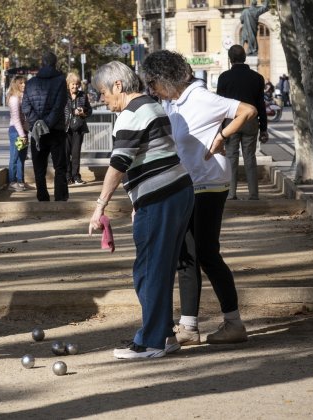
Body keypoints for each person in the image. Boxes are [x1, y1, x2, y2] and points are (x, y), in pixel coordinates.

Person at [142, 50, 257, 345]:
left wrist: (222, 137)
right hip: (186, 184)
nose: (151, 90)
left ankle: (233, 323)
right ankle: (189, 326)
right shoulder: (171, 102)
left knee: (206, 253)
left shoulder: (202, 97)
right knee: (187, 256)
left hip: (208, 184)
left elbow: (247, 110)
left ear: (166, 79)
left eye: (153, 83)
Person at [88, 61, 194, 359]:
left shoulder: (130, 115)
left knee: (148, 271)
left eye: (103, 93)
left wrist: (100, 206)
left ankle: (150, 342)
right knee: (160, 268)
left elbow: (118, 164)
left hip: (161, 198)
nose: (102, 100)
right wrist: (137, 201)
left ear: (118, 86)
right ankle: (165, 335)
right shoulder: (153, 105)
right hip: (178, 192)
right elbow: (152, 154)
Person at [217, 44, 268, 201]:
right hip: (251, 122)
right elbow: (261, 105)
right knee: (250, 157)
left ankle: (232, 194)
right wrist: (264, 128)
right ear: (245, 58)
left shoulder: (224, 77)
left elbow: (219, 105)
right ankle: (253, 194)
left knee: (231, 157)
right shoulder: (257, 78)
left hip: (231, 122)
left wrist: (219, 128)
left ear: (230, 59)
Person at [22, 51, 68, 201]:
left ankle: (42, 196)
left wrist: (38, 123)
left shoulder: (30, 83)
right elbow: (59, 106)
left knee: (39, 167)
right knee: (60, 166)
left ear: (42, 63)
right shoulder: (61, 80)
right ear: (55, 64)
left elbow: (26, 106)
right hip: (56, 129)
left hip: (37, 131)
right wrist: (47, 123)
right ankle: (60, 197)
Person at [64, 72, 92, 185]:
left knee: (76, 154)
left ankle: (76, 176)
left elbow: (89, 110)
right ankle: (67, 176)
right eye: (73, 84)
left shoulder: (82, 95)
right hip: (65, 128)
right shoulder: (63, 95)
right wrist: (72, 111)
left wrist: (83, 112)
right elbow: (60, 110)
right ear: (68, 84)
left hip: (78, 128)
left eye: (77, 84)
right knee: (65, 154)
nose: (75, 86)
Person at [6, 75, 30, 192]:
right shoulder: (14, 99)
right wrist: (22, 135)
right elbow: (16, 119)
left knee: (22, 157)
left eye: (25, 83)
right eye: (21, 83)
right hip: (16, 131)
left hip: (23, 131)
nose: (24, 85)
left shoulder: (22, 97)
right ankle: (12, 182)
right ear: (16, 85)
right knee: (14, 158)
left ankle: (20, 181)